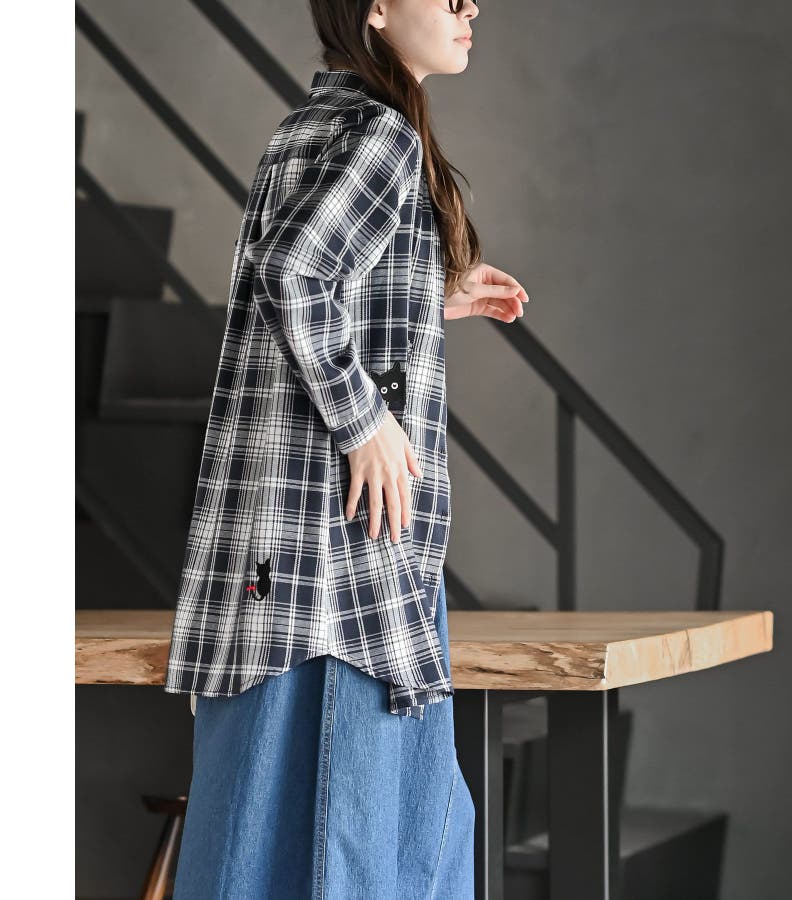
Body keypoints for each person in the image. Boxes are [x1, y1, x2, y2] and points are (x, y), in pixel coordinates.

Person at [166, 1, 529, 897]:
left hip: (279, 559)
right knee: (374, 849)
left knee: (257, 836)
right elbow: (293, 273)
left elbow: (297, 280)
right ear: (376, 7)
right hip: (346, 564)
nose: (470, 8)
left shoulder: (309, 124)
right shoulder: (383, 134)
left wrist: (422, 291)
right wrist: (365, 421)